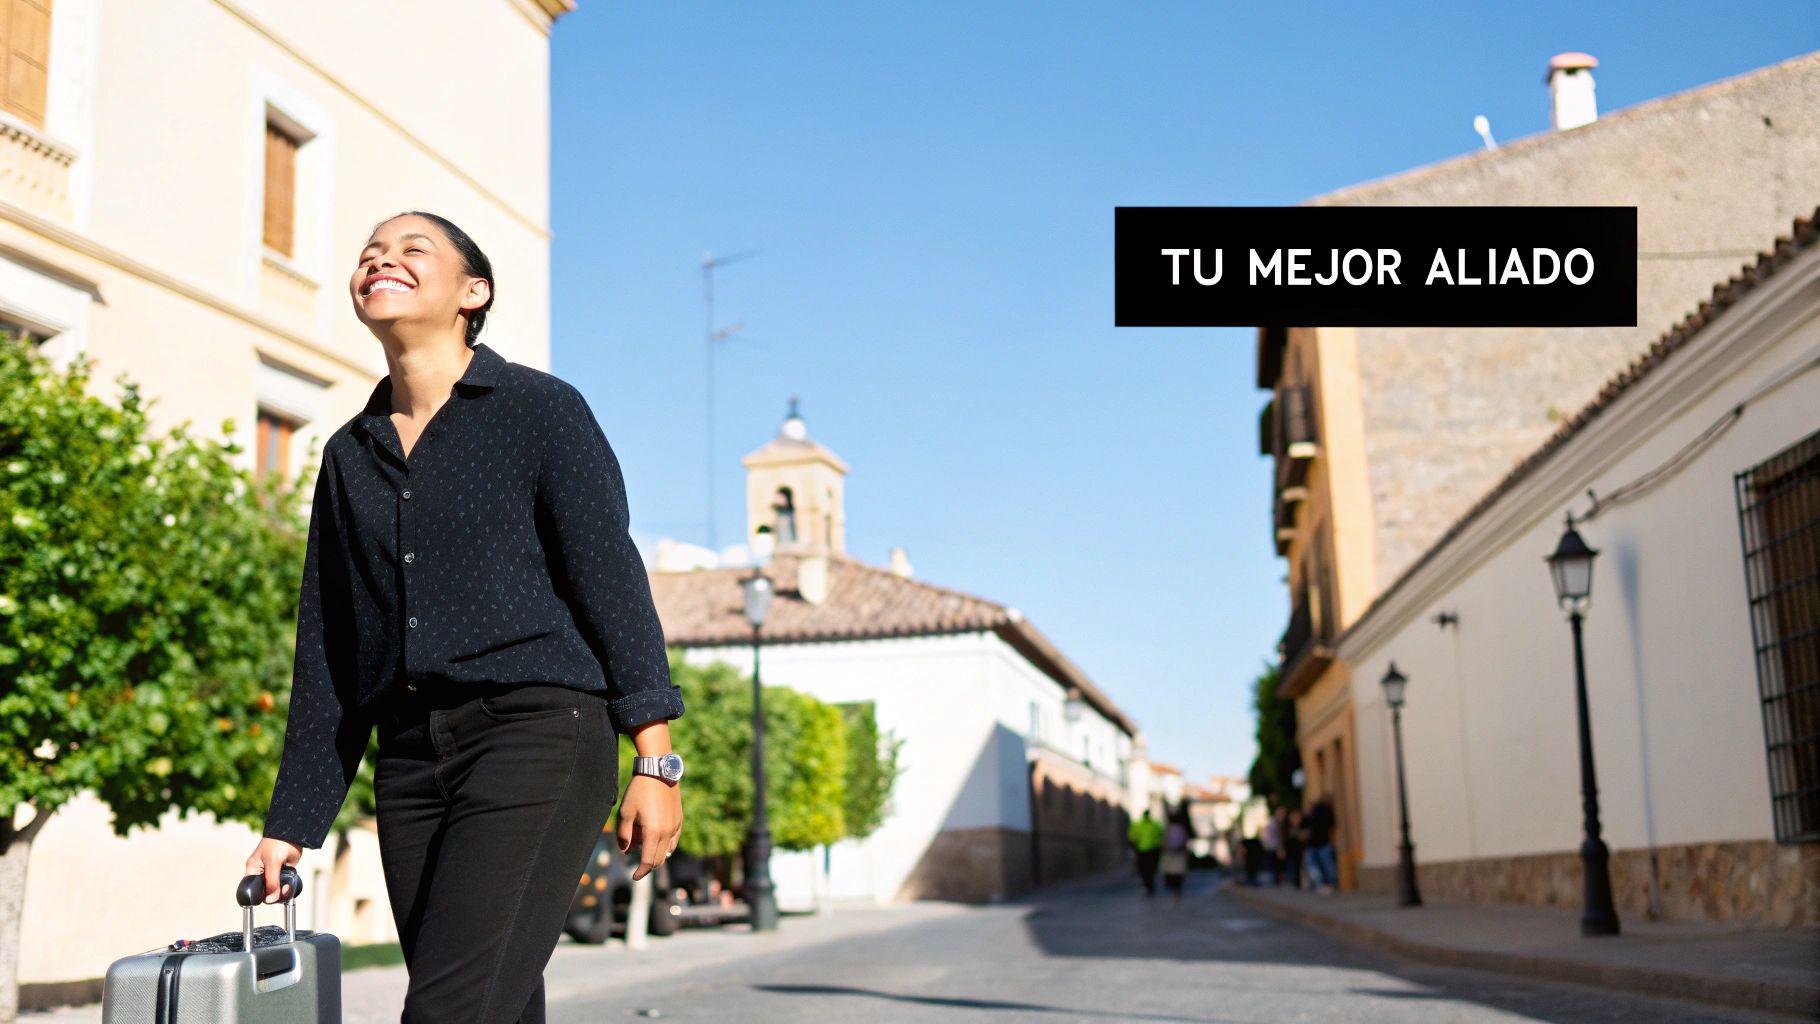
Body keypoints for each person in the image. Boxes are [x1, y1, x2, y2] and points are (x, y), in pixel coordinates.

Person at [243, 211, 688, 1024]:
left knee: (448, 1008)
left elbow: (609, 580)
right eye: (370, 252)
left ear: (473, 292)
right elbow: (333, 647)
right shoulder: (349, 453)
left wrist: (654, 759)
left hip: (538, 734)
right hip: (410, 762)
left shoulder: (540, 410)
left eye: (414, 250)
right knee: (494, 1003)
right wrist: (292, 824)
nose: (382, 259)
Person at [1304, 796, 1338, 893]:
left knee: (1316, 866)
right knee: (1326, 865)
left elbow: (1310, 830)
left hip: (1315, 843)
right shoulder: (1325, 812)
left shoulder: (1313, 814)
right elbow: (1332, 827)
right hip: (1323, 842)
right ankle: (1329, 884)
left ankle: (1322, 884)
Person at [1127, 808, 1164, 896]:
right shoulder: (1156, 825)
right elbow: (1161, 836)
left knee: (1143, 869)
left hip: (1141, 851)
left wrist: (1134, 848)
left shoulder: (1137, 825)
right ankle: (1149, 885)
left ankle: (1147, 886)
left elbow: (1132, 837)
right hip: (1153, 850)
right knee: (1151, 869)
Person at [1159, 804, 1191, 903]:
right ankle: (1177, 892)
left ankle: (1175, 891)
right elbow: (1186, 841)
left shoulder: (1167, 830)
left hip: (1169, 855)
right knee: (1178, 874)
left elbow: (1163, 842)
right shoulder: (1182, 829)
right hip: (1179, 855)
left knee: (1171, 874)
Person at [1283, 807, 1305, 891]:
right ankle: (1291, 882)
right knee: (1291, 866)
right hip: (1290, 852)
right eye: (1295, 817)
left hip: (1299, 851)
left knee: (1298, 866)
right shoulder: (1287, 827)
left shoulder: (1301, 825)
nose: (1297, 819)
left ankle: (1297, 883)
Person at [1261, 805, 1284, 886]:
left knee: (1276, 864)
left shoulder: (1276, 822)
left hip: (1274, 846)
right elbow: (1275, 836)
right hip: (1272, 846)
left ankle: (1276, 880)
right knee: (1273, 864)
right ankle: (1274, 880)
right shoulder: (1273, 822)